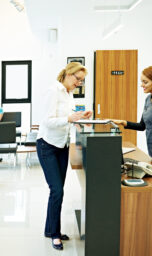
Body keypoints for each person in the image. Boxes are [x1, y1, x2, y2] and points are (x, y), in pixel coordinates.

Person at [36, 62, 92, 250]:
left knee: (57, 191)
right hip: (47, 145)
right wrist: (70, 119)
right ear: (68, 74)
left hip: (62, 145)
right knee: (57, 190)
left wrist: (80, 116)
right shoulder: (53, 91)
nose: (79, 83)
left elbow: (67, 118)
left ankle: (49, 229)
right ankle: (55, 234)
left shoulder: (69, 94)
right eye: (78, 79)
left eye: (82, 81)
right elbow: (47, 121)